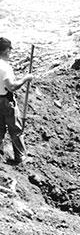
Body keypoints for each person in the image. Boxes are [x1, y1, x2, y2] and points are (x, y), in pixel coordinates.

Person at [0, 37, 34, 165]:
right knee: (15, 129)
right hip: (6, 101)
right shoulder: (5, 67)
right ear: (6, 50)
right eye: (9, 50)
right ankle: (20, 157)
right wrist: (26, 78)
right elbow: (12, 87)